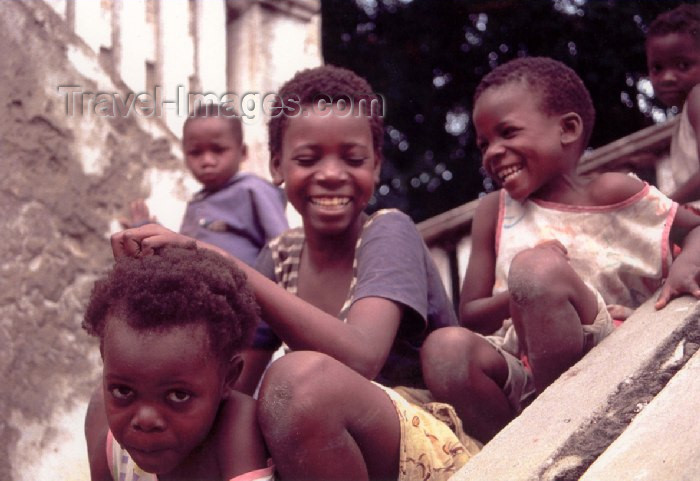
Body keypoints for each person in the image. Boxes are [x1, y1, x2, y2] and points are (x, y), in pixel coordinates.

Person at [111, 65, 480, 481]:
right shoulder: (280, 255)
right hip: (325, 450)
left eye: (353, 159)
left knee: (298, 382)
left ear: (376, 166)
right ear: (276, 167)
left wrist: (224, 261)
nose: (331, 174)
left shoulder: (388, 230)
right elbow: (232, 387)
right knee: (212, 410)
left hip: (426, 445)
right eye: (307, 159)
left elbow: (361, 357)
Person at [420, 56, 700, 445]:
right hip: (520, 369)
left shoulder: (611, 192)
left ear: (567, 129)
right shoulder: (493, 210)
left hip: (608, 349)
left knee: (536, 271)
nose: (492, 152)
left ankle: (565, 438)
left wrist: (688, 259)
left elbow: (695, 226)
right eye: (485, 143)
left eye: (508, 133)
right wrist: (519, 294)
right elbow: (470, 314)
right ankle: (522, 452)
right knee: (443, 350)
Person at [82, 245, 274, 481]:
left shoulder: (237, 431)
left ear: (228, 378)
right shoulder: (111, 447)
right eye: (123, 391)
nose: (146, 420)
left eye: (178, 396)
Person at [122, 104, 289, 267]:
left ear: (242, 152)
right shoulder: (198, 203)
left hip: (244, 288)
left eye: (218, 150)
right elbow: (184, 249)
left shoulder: (253, 189)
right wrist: (146, 232)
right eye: (196, 153)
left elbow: (281, 244)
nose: (207, 161)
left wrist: (270, 289)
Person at [646, 4, 700, 209]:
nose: (667, 78)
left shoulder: (698, 97)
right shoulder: (687, 115)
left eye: (683, 65)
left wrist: (666, 204)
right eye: (657, 68)